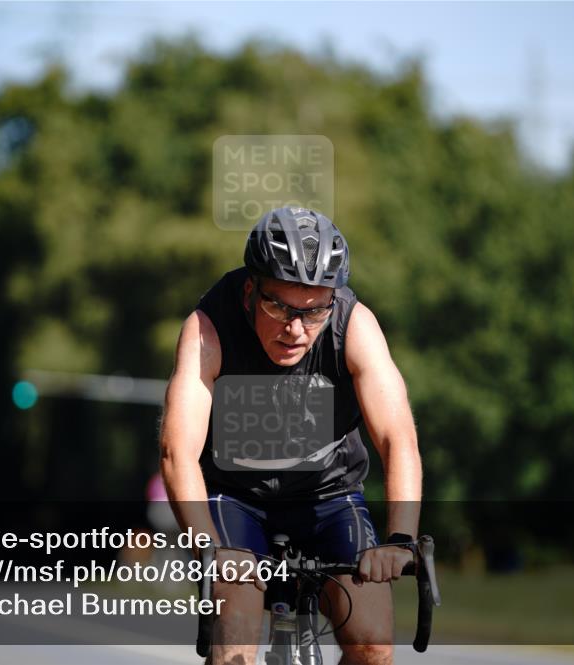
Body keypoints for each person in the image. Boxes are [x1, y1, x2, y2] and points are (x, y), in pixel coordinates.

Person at [159, 206, 422, 665]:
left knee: (374, 645)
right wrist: (208, 546)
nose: (296, 329)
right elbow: (176, 451)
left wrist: (400, 539)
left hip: (329, 495)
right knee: (235, 643)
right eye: (278, 305)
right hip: (235, 497)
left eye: (314, 310)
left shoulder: (353, 325)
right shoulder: (207, 329)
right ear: (249, 290)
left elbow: (398, 440)